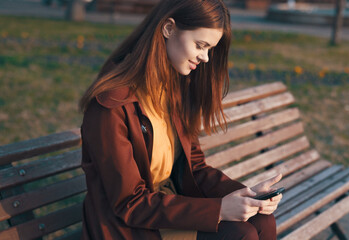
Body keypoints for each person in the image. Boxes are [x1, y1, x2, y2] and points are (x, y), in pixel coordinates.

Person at [78, 0, 282, 239]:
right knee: (240, 234)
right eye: (200, 45)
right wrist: (219, 210)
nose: (205, 57)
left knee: (262, 220)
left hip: (166, 208)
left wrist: (246, 196)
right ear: (168, 29)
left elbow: (194, 169)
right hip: (129, 226)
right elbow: (130, 204)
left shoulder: (171, 86)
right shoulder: (111, 104)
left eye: (210, 49)